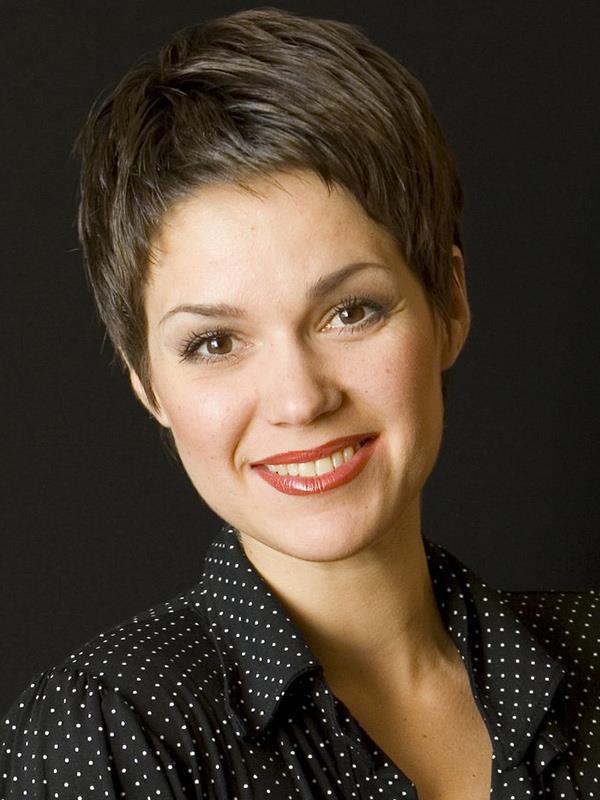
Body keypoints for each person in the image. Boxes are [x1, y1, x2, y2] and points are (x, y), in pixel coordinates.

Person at [1, 8, 597, 799]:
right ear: (147, 383)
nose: (300, 399)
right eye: (214, 342)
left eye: (350, 311)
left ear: (449, 305)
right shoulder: (107, 731)